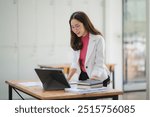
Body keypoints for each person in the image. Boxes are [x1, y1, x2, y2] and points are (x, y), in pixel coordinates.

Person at [67, 11, 110, 87]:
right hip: (83, 77)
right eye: (72, 27)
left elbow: (99, 64)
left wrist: (91, 81)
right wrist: (67, 80)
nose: (75, 30)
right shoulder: (76, 40)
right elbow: (74, 63)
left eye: (77, 26)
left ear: (85, 24)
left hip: (97, 77)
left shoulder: (98, 39)